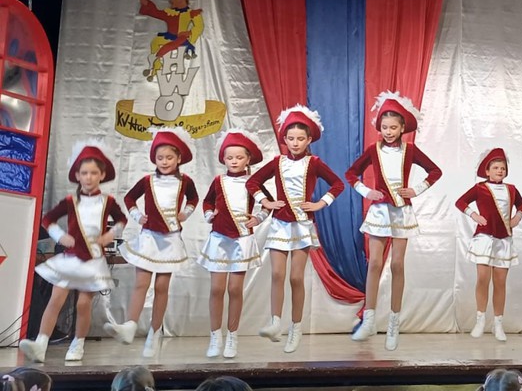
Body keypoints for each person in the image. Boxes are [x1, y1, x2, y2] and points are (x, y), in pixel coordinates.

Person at [347, 91, 443, 351]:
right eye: (384, 127)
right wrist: (367, 192)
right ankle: (369, 320)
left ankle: (394, 323)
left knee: (398, 265)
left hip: (401, 212)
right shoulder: (373, 150)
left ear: (402, 128)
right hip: (379, 212)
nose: (388, 132)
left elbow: (435, 171)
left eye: (393, 127)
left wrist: (416, 189)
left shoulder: (410, 150)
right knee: (375, 263)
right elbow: (351, 173)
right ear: (379, 128)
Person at [246, 105, 345, 353]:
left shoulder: (314, 162)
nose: (295, 143)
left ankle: (296, 327)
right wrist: (266, 201)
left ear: (309, 139)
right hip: (280, 224)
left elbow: (337, 184)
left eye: (300, 139)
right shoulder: (277, 162)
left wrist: (320, 203)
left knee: (296, 277)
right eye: (291, 138)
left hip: (302, 225)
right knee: (277, 274)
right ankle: (275, 323)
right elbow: (252, 181)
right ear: (285, 140)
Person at [18, 143, 125, 363]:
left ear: (102, 175)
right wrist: (60, 236)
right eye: (84, 173)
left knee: (83, 304)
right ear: (77, 175)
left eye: (93, 173)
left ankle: (78, 344)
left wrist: (110, 235)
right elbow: (47, 219)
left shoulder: (108, 202)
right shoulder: (70, 201)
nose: (89, 177)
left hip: (93, 260)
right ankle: (40, 344)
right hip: (70, 258)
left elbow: (122, 219)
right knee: (55, 300)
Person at [106, 127, 198, 358]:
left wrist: (186, 213)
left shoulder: (185, 181)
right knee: (141, 284)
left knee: (161, 287)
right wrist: (137, 216)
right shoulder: (147, 181)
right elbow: (129, 197)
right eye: (160, 158)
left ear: (179, 158)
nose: (164, 162)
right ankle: (129, 326)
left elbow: (194, 198)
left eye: (169, 157)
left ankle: (154, 333)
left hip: (170, 239)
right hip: (149, 237)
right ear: (154, 159)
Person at [198, 130, 269, 358]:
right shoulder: (218, 181)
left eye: (239, 157)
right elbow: (207, 201)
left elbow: (267, 204)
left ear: (248, 159)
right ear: (223, 159)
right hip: (219, 239)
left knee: (235, 289)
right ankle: (215, 336)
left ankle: (232, 336)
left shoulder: (253, 183)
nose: (234, 161)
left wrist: (258, 218)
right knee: (216, 289)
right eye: (230, 157)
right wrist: (209, 214)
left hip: (242, 239)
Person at [455, 148, 522, 341]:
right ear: (487, 171)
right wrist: (474, 215)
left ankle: (498, 323)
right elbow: (460, 202)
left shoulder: (511, 189)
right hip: (485, 238)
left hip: (504, 239)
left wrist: (517, 218)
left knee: (500, 282)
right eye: (495, 168)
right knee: (482, 279)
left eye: (502, 168)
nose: (500, 171)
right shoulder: (480, 188)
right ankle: (480, 320)